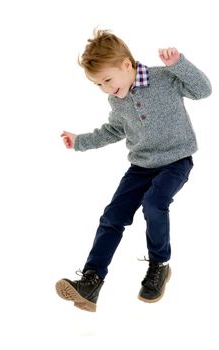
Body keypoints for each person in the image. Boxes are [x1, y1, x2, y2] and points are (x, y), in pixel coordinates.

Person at [55, 29, 212, 312]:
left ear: (126, 65)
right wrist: (80, 141)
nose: (104, 88)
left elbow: (204, 90)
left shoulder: (164, 78)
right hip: (140, 167)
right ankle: (91, 281)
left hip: (176, 160)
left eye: (107, 80)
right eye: (98, 84)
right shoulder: (117, 98)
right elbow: (114, 130)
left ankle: (159, 265)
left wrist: (179, 64)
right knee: (113, 216)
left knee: (155, 203)